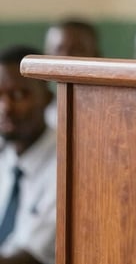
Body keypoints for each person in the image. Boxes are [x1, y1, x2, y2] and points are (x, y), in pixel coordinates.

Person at [0, 45, 56, 264]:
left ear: (47, 99)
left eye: (18, 94)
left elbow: (29, 258)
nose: (5, 107)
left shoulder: (68, 164)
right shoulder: (5, 156)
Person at [42, 17, 101, 129]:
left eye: (77, 50)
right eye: (58, 50)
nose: (65, 57)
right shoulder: (38, 109)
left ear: (97, 56)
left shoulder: (107, 109)